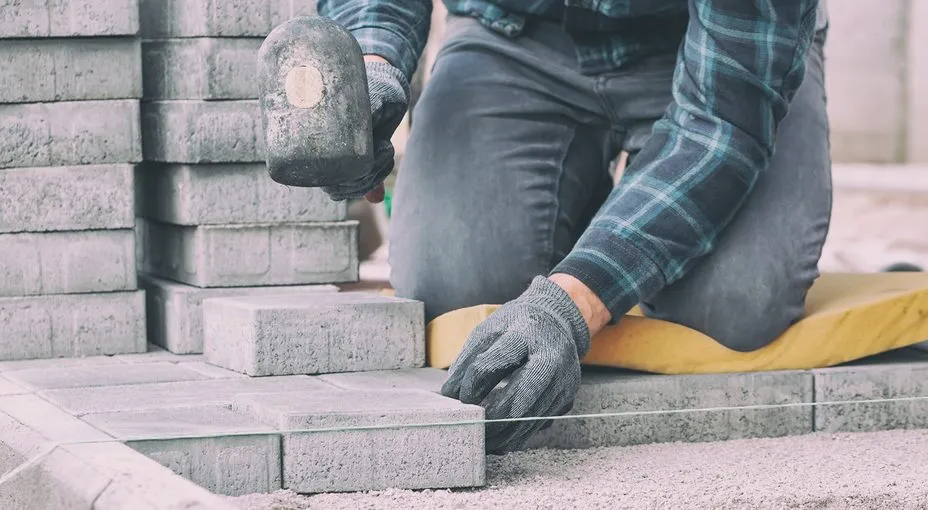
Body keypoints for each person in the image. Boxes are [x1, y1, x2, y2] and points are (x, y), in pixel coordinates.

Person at [316, 0, 830, 453]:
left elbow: (722, 124)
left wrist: (575, 302)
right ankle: (603, 213)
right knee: (458, 292)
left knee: (731, 306)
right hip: (513, 35)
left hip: (715, 48)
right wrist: (371, 62)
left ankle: (615, 231)